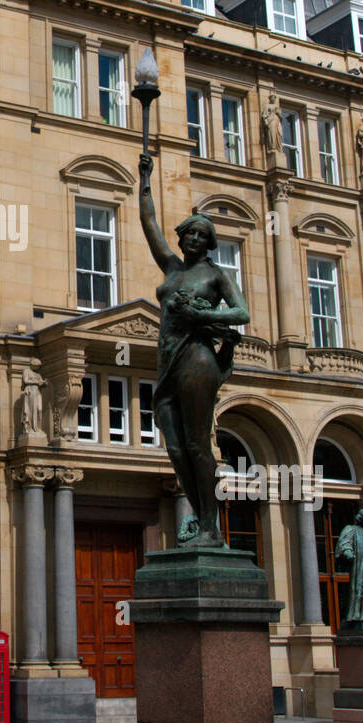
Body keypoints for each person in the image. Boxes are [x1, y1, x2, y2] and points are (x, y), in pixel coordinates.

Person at [138, 152, 250, 546]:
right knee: (174, 445)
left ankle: (210, 528)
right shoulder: (172, 268)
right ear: (183, 237)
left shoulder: (216, 275)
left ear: (209, 243)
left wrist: (204, 316)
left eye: (202, 235)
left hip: (199, 358)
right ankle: (202, 519)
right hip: (168, 361)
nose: (194, 239)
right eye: (190, 233)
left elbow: (242, 313)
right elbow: (149, 224)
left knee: (197, 443)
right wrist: (146, 182)